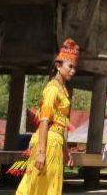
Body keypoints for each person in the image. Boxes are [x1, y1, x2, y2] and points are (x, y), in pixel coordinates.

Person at [13, 39, 78, 195]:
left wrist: (66, 149)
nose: (73, 71)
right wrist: (41, 153)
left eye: (75, 67)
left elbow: (60, 123)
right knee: (33, 186)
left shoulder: (63, 90)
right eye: (70, 66)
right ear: (58, 65)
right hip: (47, 144)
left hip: (56, 143)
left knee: (49, 188)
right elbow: (44, 121)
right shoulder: (52, 89)